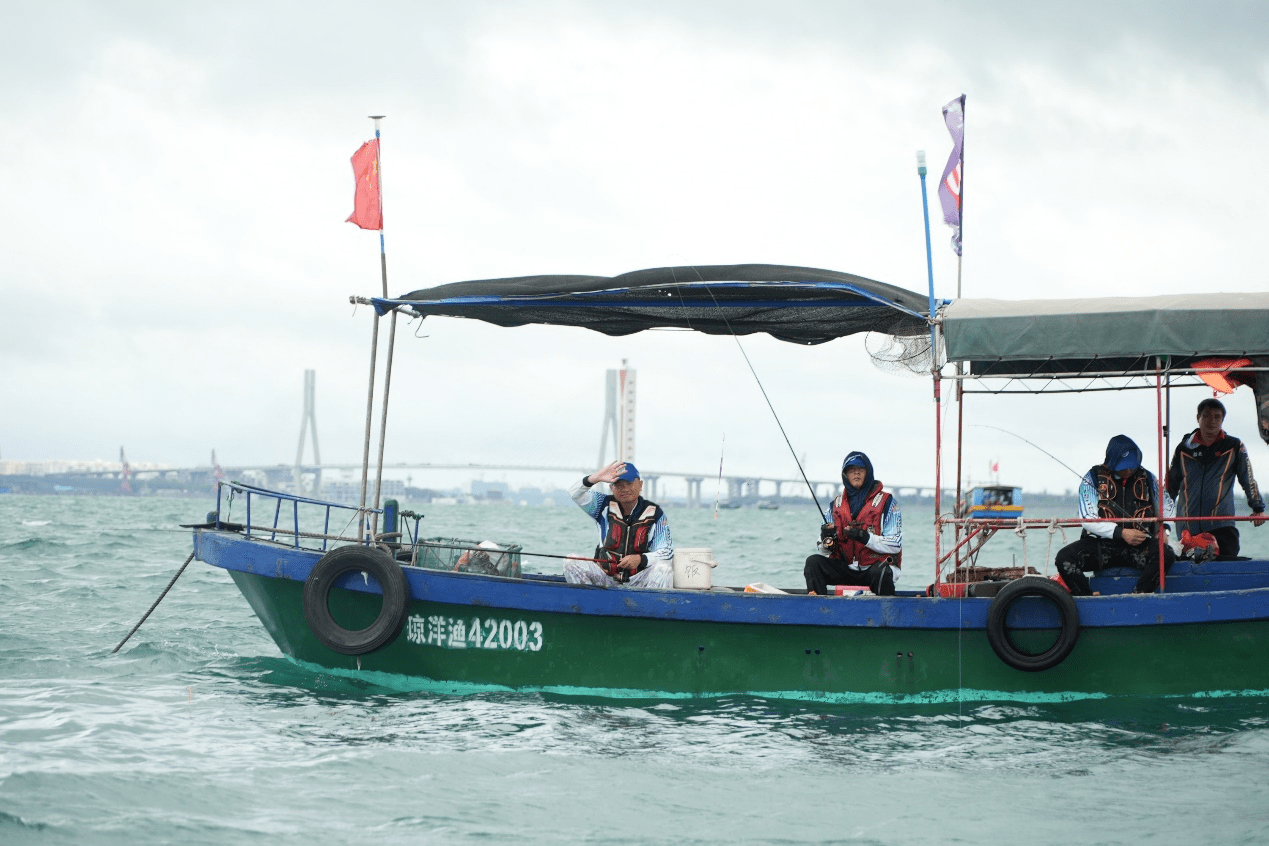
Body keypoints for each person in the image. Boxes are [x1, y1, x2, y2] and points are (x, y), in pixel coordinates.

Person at [1055, 435, 1177, 595]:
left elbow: (1168, 505)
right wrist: (1121, 533)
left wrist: (1164, 530)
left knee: (1166, 554)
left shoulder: (1148, 478)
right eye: (1123, 466)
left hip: (1138, 545)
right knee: (1064, 558)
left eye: (1131, 466)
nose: (1128, 470)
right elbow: (1087, 519)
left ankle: (1140, 593)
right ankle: (1086, 595)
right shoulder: (1092, 478)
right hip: (1101, 546)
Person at [1167, 398, 1265, 558]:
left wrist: (1258, 508)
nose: (1211, 421)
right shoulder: (1183, 449)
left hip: (1221, 526)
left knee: (1225, 565)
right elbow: (1171, 486)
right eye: (1206, 416)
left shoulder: (1233, 446)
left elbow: (1247, 478)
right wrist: (1161, 519)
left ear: (1222, 420)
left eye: (1217, 416)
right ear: (1198, 417)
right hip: (1187, 528)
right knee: (1190, 572)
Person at [804, 451, 902, 596]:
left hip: (875, 568)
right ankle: (820, 609)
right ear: (845, 475)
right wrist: (827, 540)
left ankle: (887, 613)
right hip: (846, 568)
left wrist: (864, 537)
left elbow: (896, 544)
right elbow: (823, 550)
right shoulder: (834, 506)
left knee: (881, 572)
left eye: (861, 469)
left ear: (868, 472)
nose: (856, 473)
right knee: (813, 563)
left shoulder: (888, 503)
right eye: (851, 470)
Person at [563, 461, 674, 588]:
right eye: (619, 485)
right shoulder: (601, 504)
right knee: (571, 562)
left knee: (663, 570)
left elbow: (667, 553)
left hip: (639, 581)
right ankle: (589, 604)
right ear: (612, 488)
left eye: (630, 483)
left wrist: (640, 559)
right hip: (605, 579)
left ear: (640, 485)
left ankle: (647, 606)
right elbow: (574, 493)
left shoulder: (656, 514)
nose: (625, 489)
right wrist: (596, 478)